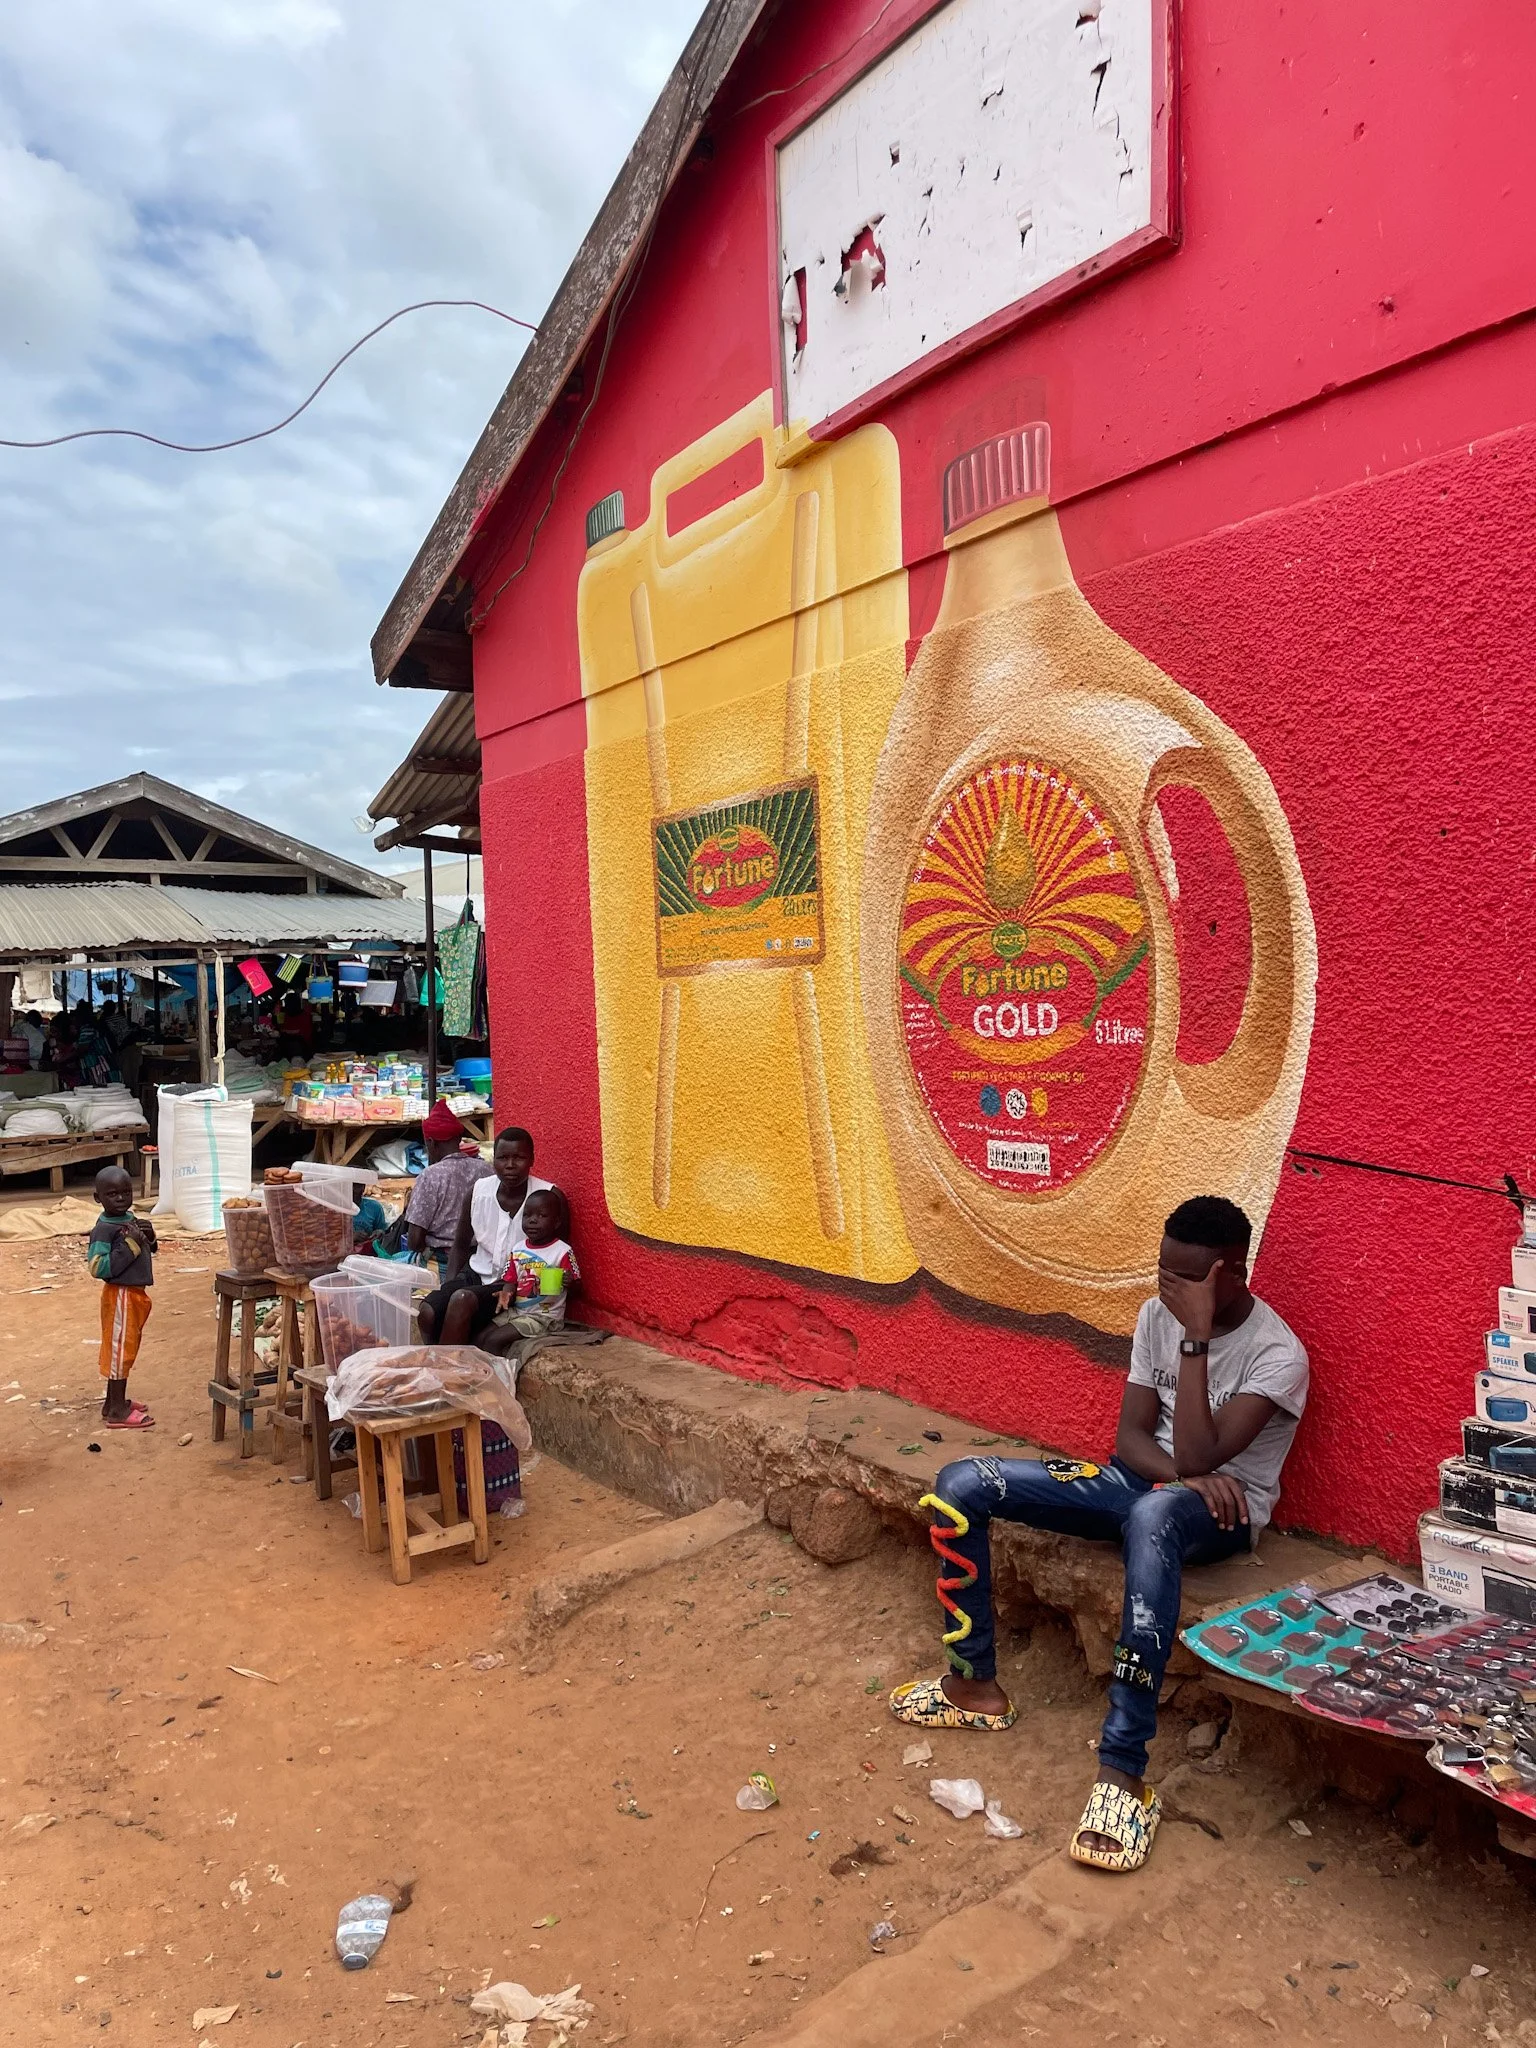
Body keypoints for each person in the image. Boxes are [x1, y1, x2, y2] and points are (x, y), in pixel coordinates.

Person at [890, 1195, 1308, 1875]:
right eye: (1161, 1273)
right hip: (1141, 1485)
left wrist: (1196, 1343)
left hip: (1222, 1517)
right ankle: (972, 1687)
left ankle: (1123, 1775)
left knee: (1152, 1516)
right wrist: (1180, 1474)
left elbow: (1206, 1455)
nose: (1165, 1291)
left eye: (1184, 1279)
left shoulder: (1277, 1355)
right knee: (962, 1483)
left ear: (1232, 1273)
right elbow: (1131, 1440)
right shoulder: (1154, 1316)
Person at [417, 1127, 551, 1345]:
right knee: (428, 1312)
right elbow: (460, 1244)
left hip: (513, 1285)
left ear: (532, 1159)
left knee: (462, 1301)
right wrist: (449, 1286)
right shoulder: (479, 1192)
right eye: (503, 1158)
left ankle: (450, 1372)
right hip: (477, 1274)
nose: (510, 1165)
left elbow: (555, 1255)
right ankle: (439, 1365)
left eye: (518, 1158)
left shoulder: (546, 1198)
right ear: (493, 1160)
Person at [87, 1165, 158, 1429]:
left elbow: (145, 1247)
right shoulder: (104, 1229)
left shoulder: (128, 1218)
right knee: (119, 1352)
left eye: (125, 1192)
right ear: (98, 1198)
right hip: (121, 1295)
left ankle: (112, 1402)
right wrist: (132, 1245)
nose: (120, 1199)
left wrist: (149, 1237)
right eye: (112, 1194)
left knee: (126, 1350)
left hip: (135, 1294)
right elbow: (97, 1267)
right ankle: (117, 1411)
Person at [403, 1102, 493, 1269]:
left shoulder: (430, 1176)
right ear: (459, 1139)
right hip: (483, 1259)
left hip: (442, 1261)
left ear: (431, 1142)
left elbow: (414, 1241)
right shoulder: (486, 1169)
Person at [494, 1187, 579, 1339]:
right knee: (481, 1336)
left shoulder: (562, 1251)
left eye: (542, 1215)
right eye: (527, 1215)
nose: (532, 1220)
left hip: (546, 1317)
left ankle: (499, 1364)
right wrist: (506, 1293)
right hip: (518, 1312)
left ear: (556, 1222)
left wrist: (570, 1282)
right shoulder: (518, 1249)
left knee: (495, 1339)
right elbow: (510, 1281)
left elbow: (579, 1290)